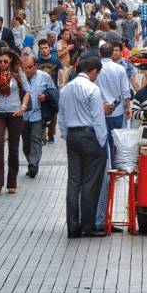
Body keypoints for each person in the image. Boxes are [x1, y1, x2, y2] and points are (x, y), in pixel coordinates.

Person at [59, 56, 108, 238]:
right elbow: (98, 119)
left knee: (74, 181)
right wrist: (102, 143)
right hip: (89, 135)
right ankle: (88, 225)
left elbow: (62, 117)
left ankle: (73, 226)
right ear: (94, 70)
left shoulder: (66, 89)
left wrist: (66, 135)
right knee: (90, 181)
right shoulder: (92, 89)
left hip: (72, 135)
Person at [0, 48, 31, 193]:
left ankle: (12, 182)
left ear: (10, 60)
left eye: (6, 61)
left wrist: (23, 107)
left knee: (14, 149)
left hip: (15, 113)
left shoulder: (18, 74)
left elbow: (27, 90)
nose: (3, 64)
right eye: (0, 61)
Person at [94, 43, 132, 232]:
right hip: (116, 113)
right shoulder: (119, 69)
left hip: (101, 114)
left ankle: (108, 165)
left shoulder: (97, 70)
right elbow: (126, 92)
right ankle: (115, 166)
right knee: (116, 143)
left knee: (105, 144)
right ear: (113, 54)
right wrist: (127, 108)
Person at [20, 55, 57, 178]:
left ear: (35, 66)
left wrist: (45, 97)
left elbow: (54, 93)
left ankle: (33, 164)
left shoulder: (45, 77)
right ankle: (31, 161)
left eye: (30, 67)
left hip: (38, 115)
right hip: (23, 116)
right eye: (24, 68)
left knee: (35, 140)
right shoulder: (19, 78)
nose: (27, 70)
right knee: (26, 144)